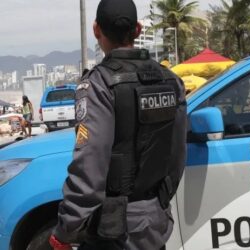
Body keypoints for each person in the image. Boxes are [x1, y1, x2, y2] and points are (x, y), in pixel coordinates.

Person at [49, 0, 187, 250]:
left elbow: (90, 165)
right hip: (155, 221)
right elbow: (177, 156)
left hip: (112, 231)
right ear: (138, 30)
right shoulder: (171, 81)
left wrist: (66, 229)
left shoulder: (99, 84)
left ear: (96, 30)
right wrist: (157, 201)